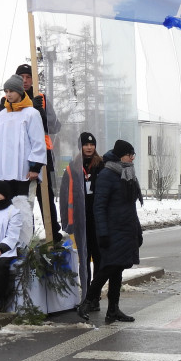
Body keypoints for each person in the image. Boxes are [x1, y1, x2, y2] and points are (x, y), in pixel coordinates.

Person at [77, 139, 142, 324]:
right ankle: (87, 302)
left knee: (117, 269)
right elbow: (99, 206)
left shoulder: (127, 173)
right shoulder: (107, 174)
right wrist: (103, 233)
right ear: (121, 156)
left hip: (126, 228)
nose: (132, 158)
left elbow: (130, 206)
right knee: (108, 267)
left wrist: (137, 230)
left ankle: (113, 310)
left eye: (133, 155)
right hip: (112, 231)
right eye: (130, 155)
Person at [0, 74, 46, 244]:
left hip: (24, 172)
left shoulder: (31, 114)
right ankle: (6, 243)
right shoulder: (1, 116)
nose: (8, 94)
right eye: (6, 91)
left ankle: (25, 244)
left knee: (23, 209)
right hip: (4, 172)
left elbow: (37, 140)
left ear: (20, 92)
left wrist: (35, 167)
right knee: (6, 209)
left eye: (12, 91)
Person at [9, 63, 62, 241]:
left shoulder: (42, 98)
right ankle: (25, 236)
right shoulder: (8, 99)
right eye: (21, 77)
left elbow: (55, 127)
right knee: (22, 198)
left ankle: (53, 234)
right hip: (19, 156)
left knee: (45, 195)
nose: (25, 81)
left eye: (28, 77)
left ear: (34, 80)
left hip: (42, 155)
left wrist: (42, 113)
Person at [60, 132, 104, 311]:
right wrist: (65, 220)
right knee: (84, 259)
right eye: (86, 144)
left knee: (98, 258)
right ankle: (85, 296)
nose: (89, 147)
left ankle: (95, 296)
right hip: (80, 220)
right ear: (80, 146)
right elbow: (64, 196)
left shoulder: (101, 165)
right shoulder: (73, 168)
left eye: (92, 145)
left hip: (97, 220)